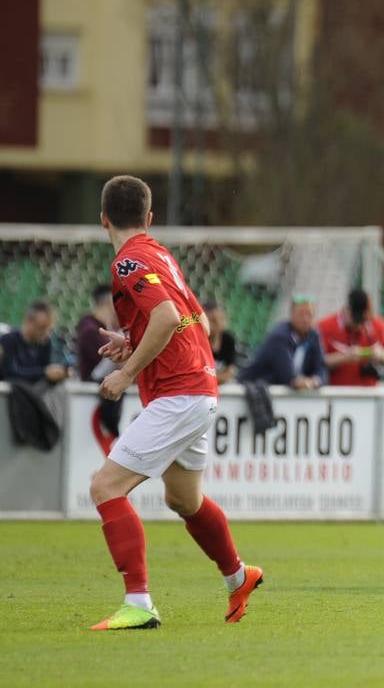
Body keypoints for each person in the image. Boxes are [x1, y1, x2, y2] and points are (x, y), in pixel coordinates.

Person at [86, 175, 262, 631]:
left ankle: (139, 602)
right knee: (184, 498)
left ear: (103, 219)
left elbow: (166, 317)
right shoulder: (161, 255)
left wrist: (125, 373)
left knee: (106, 488)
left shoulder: (127, 264)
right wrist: (134, 341)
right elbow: (197, 321)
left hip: (179, 393)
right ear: (148, 218)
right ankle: (239, 577)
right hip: (199, 389)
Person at [238, 294, 327, 391]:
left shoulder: (314, 335)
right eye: (301, 314)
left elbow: (321, 369)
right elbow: (287, 376)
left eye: (309, 314)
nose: (305, 319)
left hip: (275, 393)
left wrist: (315, 381)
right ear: (292, 314)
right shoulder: (279, 336)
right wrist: (302, 382)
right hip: (251, 390)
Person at [316, 288, 384, 387]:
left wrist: (381, 354)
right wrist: (345, 357)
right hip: (336, 394)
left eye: (363, 320)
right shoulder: (324, 327)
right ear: (347, 309)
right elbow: (317, 362)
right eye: (357, 319)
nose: (360, 325)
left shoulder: (377, 324)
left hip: (369, 395)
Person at [0, 300, 69, 386]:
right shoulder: (8, 341)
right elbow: (10, 374)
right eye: (42, 328)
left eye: (49, 329)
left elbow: (45, 374)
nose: (46, 333)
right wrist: (44, 372)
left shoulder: (45, 343)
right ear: (29, 322)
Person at [77, 284, 118, 381]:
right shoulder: (91, 330)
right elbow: (113, 358)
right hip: (93, 387)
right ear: (110, 302)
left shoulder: (100, 327)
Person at [202, 300, 238, 384]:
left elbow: (229, 372)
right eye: (209, 320)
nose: (211, 326)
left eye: (215, 321)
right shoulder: (197, 339)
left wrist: (212, 379)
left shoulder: (228, 340)